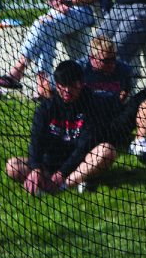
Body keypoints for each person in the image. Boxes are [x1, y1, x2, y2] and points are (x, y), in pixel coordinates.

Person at [6, 60, 118, 195]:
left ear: (81, 83)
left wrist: (62, 173)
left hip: (80, 163)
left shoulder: (93, 105)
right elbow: (36, 141)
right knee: (12, 166)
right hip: (50, 164)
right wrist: (36, 168)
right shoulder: (47, 107)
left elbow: (84, 147)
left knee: (107, 151)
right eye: (62, 86)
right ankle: (55, 181)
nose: (67, 90)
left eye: (71, 85)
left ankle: (62, 185)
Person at [78, 36, 146, 157]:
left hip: (114, 119)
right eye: (106, 60)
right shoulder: (79, 69)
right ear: (92, 58)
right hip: (88, 122)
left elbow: (125, 91)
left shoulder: (123, 69)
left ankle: (140, 142)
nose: (112, 64)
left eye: (114, 58)